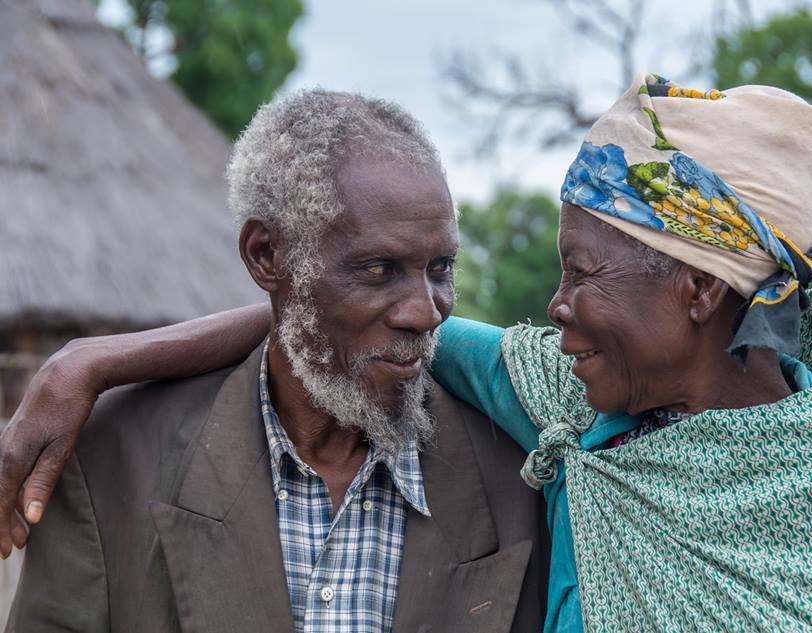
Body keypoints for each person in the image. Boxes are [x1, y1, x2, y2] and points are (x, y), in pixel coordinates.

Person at [4, 73, 812, 632]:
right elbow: (340, 319)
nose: (555, 307)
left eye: (583, 273)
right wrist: (93, 361)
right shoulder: (571, 410)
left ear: (699, 289)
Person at [3, 89, 549, 633]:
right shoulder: (112, 462)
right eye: (380, 269)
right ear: (266, 255)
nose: (427, 314)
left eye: (440, 268)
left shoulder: (525, 476)